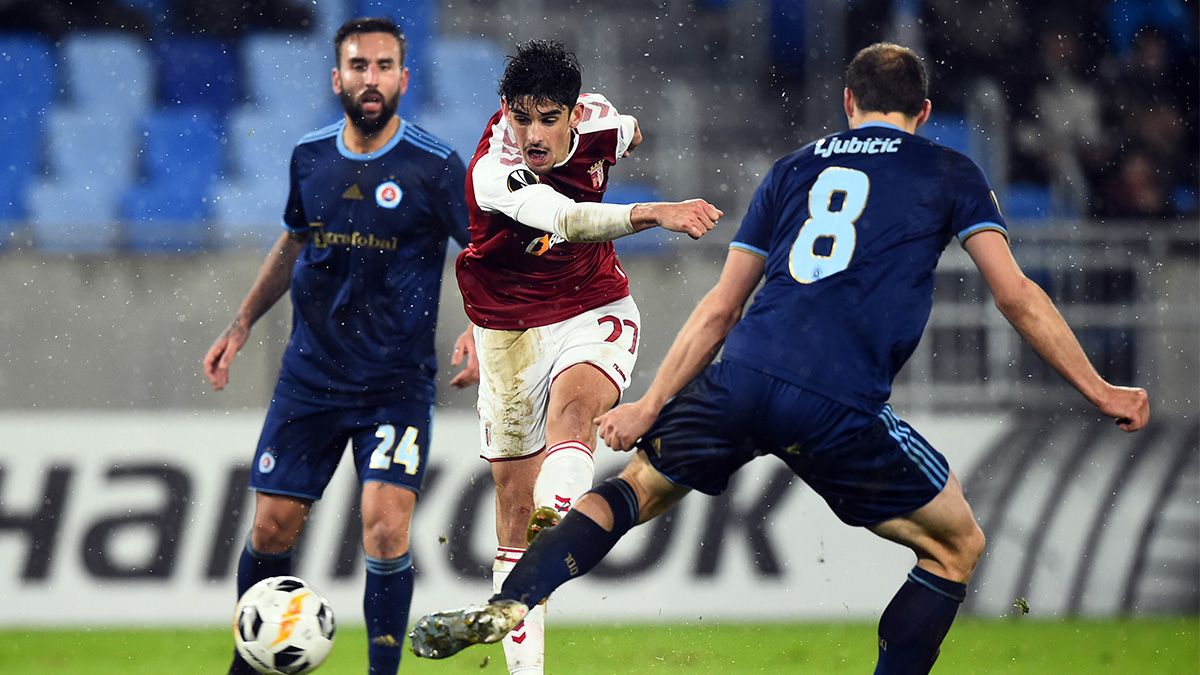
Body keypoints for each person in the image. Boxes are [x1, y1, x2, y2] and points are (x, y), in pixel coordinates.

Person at [408, 43, 1151, 673]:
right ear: (923, 115)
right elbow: (1017, 295)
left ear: (847, 102)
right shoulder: (947, 171)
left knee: (631, 493)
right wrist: (1099, 386)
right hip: (838, 398)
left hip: (741, 374)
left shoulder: (795, 168)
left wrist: (651, 403)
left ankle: (516, 597)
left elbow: (720, 307)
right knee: (958, 544)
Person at [201, 17, 469, 675]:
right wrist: (241, 323)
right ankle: (251, 667)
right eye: (358, 66)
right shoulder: (311, 158)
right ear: (337, 78)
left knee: (384, 524)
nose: (370, 79)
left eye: (383, 67)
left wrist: (481, 325)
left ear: (404, 79)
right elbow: (292, 242)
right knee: (271, 529)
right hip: (311, 378)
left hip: (394, 383)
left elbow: (483, 255)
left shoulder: (435, 167)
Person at [446, 39, 721, 675]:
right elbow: (568, 220)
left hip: (593, 305)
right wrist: (657, 210)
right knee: (513, 513)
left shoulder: (599, 120)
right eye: (520, 116)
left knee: (575, 416)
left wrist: (626, 138)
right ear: (504, 110)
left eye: (548, 117)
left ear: (573, 111)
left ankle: (564, 512)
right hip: (508, 329)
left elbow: (630, 131)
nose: (532, 133)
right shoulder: (494, 167)